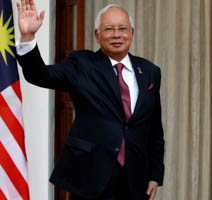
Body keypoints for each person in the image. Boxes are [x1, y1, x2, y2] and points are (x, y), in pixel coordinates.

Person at [16, 0, 164, 199]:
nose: (117, 34)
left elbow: (154, 128)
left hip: (135, 178)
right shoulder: (82, 64)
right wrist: (28, 36)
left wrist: (155, 175)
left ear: (132, 33)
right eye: (109, 29)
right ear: (97, 35)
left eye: (123, 28)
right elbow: (40, 75)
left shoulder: (149, 72)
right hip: (90, 175)